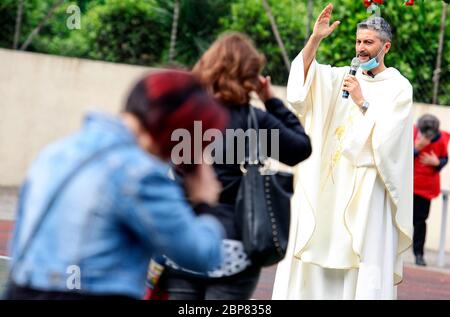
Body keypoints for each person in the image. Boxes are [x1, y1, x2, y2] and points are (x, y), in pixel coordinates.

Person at [5, 71, 229, 300]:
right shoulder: (140, 173)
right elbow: (201, 255)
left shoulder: (56, 152)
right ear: (174, 131)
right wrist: (205, 202)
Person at [272, 4, 413, 300]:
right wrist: (315, 39)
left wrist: (362, 102)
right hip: (330, 184)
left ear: (385, 46)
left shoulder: (399, 87)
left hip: (366, 188)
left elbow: (391, 141)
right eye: (358, 41)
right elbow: (302, 89)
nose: (361, 49)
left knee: (360, 261)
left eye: (368, 43)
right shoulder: (341, 77)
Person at [158, 32, 312, 300]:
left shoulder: (182, 112)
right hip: (234, 247)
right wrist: (270, 99)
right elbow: (300, 148)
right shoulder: (254, 122)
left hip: (181, 240)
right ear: (250, 77)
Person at [413, 114, 449, 266]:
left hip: (425, 188)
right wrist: (416, 149)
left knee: (420, 222)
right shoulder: (412, 133)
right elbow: (398, 157)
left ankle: (419, 254)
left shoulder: (441, 139)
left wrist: (437, 162)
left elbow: (444, 158)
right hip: (408, 185)